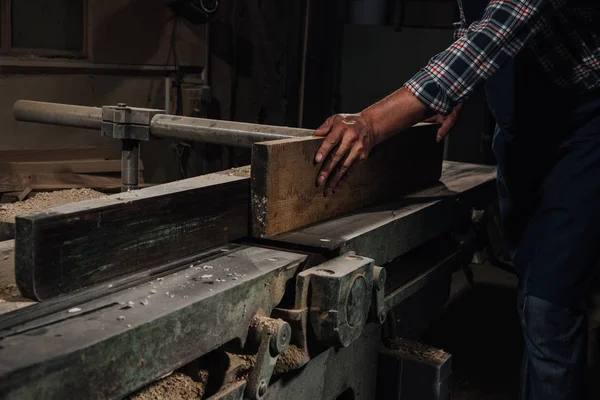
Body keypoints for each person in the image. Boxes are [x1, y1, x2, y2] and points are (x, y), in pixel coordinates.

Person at [314, 1, 600, 399]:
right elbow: (472, 25)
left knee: (549, 308)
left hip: (581, 135)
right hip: (521, 136)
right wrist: (455, 97)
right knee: (534, 286)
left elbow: (493, 34)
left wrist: (370, 123)